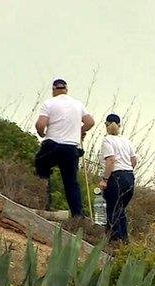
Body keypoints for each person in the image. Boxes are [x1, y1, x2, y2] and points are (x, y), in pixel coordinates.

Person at [34, 79, 95, 217]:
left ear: (54, 90)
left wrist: (41, 132)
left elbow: (40, 124)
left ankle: (43, 202)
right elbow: (90, 122)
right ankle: (78, 215)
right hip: (70, 148)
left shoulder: (49, 103)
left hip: (52, 145)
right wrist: (80, 130)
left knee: (41, 168)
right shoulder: (77, 104)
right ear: (66, 90)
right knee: (71, 182)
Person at [97, 114, 137, 241]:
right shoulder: (126, 141)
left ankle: (113, 240)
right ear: (119, 126)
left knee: (112, 209)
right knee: (120, 210)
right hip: (129, 177)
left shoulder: (107, 140)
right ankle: (124, 241)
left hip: (116, 176)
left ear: (106, 125)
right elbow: (134, 160)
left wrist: (105, 180)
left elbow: (111, 160)